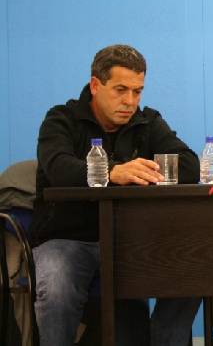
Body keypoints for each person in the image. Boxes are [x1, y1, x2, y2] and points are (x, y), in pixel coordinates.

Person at [31, 44, 201, 346]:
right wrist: (113, 172)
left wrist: (148, 171)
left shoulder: (147, 122)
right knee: (56, 287)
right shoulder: (61, 119)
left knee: (193, 268)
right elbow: (58, 168)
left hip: (129, 239)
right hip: (67, 238)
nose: (130, 102)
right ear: (95, 85)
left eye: (137, 91)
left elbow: (188, 164)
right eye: (121, 90)